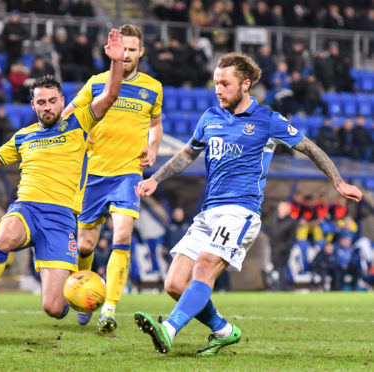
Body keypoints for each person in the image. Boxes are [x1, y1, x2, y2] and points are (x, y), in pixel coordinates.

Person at [133, 52, 363, 356]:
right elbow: (187, 155)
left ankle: (169, 329)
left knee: (203, 268)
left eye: (224, 84)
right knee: (175, 284)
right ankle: (224, 330)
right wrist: (156, 179)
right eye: (215, 83)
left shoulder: (267, 119)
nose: (218, 89)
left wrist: (337, 182)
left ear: (245, 84)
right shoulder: (210, 117)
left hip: (241, 211)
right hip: (208, 212)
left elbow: (309, 147)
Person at [0, 29, 125, 336]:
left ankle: (78, 293)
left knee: (53, 308)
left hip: (60, 219)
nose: (47, 107)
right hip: (27, 208)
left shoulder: (79, 123)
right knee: (5, 234)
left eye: (52, 101)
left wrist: (116, 62)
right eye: (41, 102)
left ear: (62, 101)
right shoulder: (24, 137)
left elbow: (109, 95)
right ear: (33, 106)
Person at [61, 24, 163, 333]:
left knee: (122, 236)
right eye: (124, 49)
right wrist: (80, 133)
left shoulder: (152, 88)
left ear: (141, 52)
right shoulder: (96, 83)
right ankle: (83, 296)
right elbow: (68, 115)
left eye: (133, 50)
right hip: (93, 175)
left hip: (128, 173)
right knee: (85, 245)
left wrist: (154, 146)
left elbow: (155, 124)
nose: (128, 54)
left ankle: (109, 308)